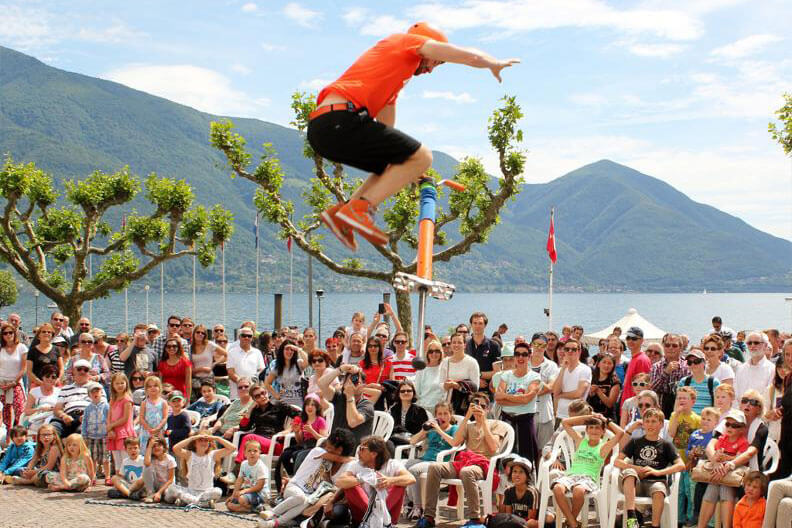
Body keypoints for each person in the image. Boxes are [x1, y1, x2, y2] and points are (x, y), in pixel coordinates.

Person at [309, 21, 517, 248]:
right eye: (434, 62)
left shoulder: (393, 81)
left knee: (392, 162)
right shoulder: (405, 42)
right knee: (425, 156)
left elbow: (387, 135)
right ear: (426, 46)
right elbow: (468, 57)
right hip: (337, 121)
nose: (430, 70)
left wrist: (408, 168)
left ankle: (343, 216)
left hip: (324, 129)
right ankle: (360, 210)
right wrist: (493, 63)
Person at [417, 392, 510, 527]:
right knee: (434, 467)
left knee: (467, 471)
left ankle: (475, 518)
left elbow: (493, 448)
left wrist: (483, 422)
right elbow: (455, 443)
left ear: (488, 408)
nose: (479, 408)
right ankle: (429, 517)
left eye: (482, 406)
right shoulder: (468, 425)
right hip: (465, 461)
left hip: (484, 464)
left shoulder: (496, 424)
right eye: (475, 405)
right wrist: (467, 417)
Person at [259, 428, 357, 527]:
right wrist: (352, 459)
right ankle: (272, 512)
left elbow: (328, 481)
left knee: (305, 501)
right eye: (327, 445)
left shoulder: (330, 464)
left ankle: (275, 523)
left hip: (308, 494)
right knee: (301, 498)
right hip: (295, 486)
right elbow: (338, 458)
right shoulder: (318, 451)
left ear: (339, 450)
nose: (327, 448)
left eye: (330, 447)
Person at [615, 408, 685, 528]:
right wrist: (635, 467)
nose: (650, 424)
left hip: (655, 482)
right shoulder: (635, 442)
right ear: (643, 424)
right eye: (647, 421)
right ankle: (632, 518)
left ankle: (655, 525)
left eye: (654, 421)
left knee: (659, 489)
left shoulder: (666, 445)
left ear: (661, 424)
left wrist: (658, 472)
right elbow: (617, 461)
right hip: (635, 483)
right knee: (630, 472)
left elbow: (681, 465)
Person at [551, 415, 624, 528]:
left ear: (603, 431)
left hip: (588, 478)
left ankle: (571, 522)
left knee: (578, 490)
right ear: (586, 430)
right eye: (591, 427)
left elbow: (620, 433)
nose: (594, 430)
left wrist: (605, 419)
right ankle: (573, 523)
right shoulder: (581, 441)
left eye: (597, 428)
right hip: (571, 475)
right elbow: (565, 422)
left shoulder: (603, 446)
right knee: (557, 488)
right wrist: (590, 416)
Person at [332, 436, 416, 528]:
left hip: (386, 513)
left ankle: (383, 522)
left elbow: (411, 478)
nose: (358, 452)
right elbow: (340, 482)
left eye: (362, 449)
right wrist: (361, 479)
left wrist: (390, 480)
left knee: (400, 484)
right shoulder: (356, 465)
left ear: (373, 454)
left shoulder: (392, 464)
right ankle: (373, 520)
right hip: (363, 515)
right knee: (350, 485)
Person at [403, 401, 458, 520]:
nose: (442, 417)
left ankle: (418, 506)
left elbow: (454, 442)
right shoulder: (431, 430)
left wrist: (439, 430)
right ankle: (407, 503)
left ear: (450, 415)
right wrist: (424, 430)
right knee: (398, 466)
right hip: (424, 459)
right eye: (439, 414)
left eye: (445, 413)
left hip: (439, 463)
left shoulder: (454, 428)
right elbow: (412, 441)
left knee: (413, 470)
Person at [697, 409, 751, 528]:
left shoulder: (743, 442)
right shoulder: (722, 438)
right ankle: (701, 526)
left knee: (724, 488)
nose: (730, 427)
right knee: (712, 487)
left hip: (734, 477)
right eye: (728, 424)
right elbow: (715, 453)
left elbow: (740, 459)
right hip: (720, 474)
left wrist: (725, 458)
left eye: (735, 425)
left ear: (742, 429)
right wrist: (717, 459)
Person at [495, 341, 541, 467]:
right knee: (505, 458)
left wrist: (506, 397)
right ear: (514, 356)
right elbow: (498, 398)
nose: (521, 357)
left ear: (529, 357)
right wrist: (518, 398)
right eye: (517, 354)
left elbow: (527, 399)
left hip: (525, 422)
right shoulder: (506, 375)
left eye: (524, 354)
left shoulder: (534, 377)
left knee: (526, 460)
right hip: (507, 420)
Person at [274, 393, 328, 493]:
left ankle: (296, 482)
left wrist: (312, 431)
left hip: (316, 445)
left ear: (317, 407)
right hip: (305, 445)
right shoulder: (304, 420)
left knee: (297, 455)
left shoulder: (320, 420)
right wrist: (296, 432)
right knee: (285, 455)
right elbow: (300, 441)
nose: (310, 407)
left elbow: (324, 439)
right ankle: (293, 476)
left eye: (313, 405)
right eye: (307, 405)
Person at [167, 433, 235, 507]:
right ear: (194, 443)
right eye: (200, 440)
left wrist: (216, 438)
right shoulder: (189, 454)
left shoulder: (213, 455)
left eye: (206, 441)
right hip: (191, 491)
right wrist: (193, 438)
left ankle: (187, 501)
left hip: (206, 492)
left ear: (209, 443)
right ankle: (202, 503)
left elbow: (232, 448)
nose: (203, 443)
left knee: (218, 491)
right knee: (172, 488)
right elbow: (175, 448)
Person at [319, 363, 376, 447]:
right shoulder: (339, 397)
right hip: (334, 447)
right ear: (344, 383)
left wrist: (350, 396)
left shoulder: (367, 405)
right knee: (302, 455)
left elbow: (352, 422)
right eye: (350, 381)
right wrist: (341, 369)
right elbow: (321, 384)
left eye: (356, 381)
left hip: (353, 452)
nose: (352, 385)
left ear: (363, 386)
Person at [668, 386, 701, 527]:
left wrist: (691, 461)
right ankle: (678, 517)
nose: (681, 400)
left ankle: (689, 517)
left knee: (688, 489)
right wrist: (676, 414)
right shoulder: (674, 415)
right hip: (676, 459)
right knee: (678, 490)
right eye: (679, 397)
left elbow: (698, 443)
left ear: (693, 401)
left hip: (689, 461)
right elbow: (671, 433)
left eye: (684, 398)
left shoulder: (697, 419)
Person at [234, 385, 292, 464]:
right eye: (257, 396)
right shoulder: (255, 410)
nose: (262, 396)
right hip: (258, 444)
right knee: (249, 442)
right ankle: (245, 472)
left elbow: (300, 416)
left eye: (263, 393)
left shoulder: (278, 405)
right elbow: (244, 428)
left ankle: (236, 469)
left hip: (274, 442)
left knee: (249, 438)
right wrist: (250, 409)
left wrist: (289, 429)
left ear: (267, 392)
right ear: (254, 399)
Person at [528, 333, 560, 452]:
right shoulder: (523, 362)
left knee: (545, 450)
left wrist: (530, 388)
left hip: (545, 414)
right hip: (526, 413)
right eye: (536, 344)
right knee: (528, 449)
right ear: (531, 344)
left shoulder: (551, 365)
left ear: (546, 346)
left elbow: (551, 387)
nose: (538, 347)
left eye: (542, 345)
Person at [686, 407, 720, 515]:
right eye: (703, 418)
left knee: (706, 494)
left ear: (716, 423)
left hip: (708, 471)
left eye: (709, 420)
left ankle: (708, 520)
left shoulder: (715, 436)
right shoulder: (695, 434)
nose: (705, 421)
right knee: (692, 493)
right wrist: (690, 453)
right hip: (694, 469)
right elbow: (688, 449)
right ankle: (693, 515)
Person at [50, 358, 97, 438]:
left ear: (89, 373)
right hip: (68, 417)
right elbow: (57, 409)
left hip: (87, 417)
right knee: (52, 429)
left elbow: (101, 407)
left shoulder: (96, 387)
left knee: (80, 431)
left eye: (85, 370)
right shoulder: (65, 388)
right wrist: (64, 416)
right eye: (79, 369)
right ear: (74, 372)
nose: (82, 372)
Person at [500, 456, 552, 527]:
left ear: (527, 476)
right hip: (516, 521)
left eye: (521, 472)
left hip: (531, 521)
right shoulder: (508, 491)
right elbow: (509, 515)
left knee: (534, 522)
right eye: (514, 471)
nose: (517, 475)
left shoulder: (532, 492)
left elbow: (531, 518)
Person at [439, 332, 480, 415]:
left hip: (465, 405)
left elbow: (476, 387)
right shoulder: (445, 362)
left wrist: (457, 386)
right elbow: (440, 383)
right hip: (448, 404)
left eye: (459, 342)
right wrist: (445, 385)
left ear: (464, 345)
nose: (456, 345)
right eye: (454, 342)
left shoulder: (472, 362)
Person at [650, 333, 689, 419]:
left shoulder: (687, 366)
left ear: (681, 348)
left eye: (674, 345)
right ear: (663, 347)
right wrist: (666, 372)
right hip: (660, 412)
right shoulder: (656, 366)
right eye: (667, 345)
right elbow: (652, 388)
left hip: (681, 411)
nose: (670, 348)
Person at [11, 423, 61, 487]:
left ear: (54, 436)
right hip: (40, 469)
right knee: (21, 469)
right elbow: (33, 460)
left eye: (48, 435)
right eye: (43, 435)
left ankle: (28, 481)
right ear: (39, 437)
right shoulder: (40, 447)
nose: (46, 437)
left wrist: (34, 472)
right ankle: (30, 478)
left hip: (51, 472)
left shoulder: (54, 448)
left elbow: (49, 467)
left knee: (43, 475)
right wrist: (28, 470)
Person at [553, 339, 592, 421]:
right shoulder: (560, 370)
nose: (570, 351)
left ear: (579, 351)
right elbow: (555, 392)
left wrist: (561, 395)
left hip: (577, 415)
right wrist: (563, 369)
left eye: (573, 349)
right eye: (567, 349)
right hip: (560, 414)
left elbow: (578, 393)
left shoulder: (585, 369)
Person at [81, 381, 111, 483]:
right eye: (92, 392)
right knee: (92, 458)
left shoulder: (106, 406)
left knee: (105, 458)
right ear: (89, 395)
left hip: (104, 435)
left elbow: (110, 419)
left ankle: (107, 477)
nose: (95, 394)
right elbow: (84, 421)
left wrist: (110, 431)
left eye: (97, 391)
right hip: (91, 436)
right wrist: (84, 434)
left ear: (101, 393)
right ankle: (93, 476)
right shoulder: (88, 408)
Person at [226, 440, 267, 513]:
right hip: (247, 492)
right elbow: (239, 480)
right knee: (229, 504)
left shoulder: (261, 467)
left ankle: (256, 506)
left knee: (241, 499)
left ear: (259, 452)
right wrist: (234, 494)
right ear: (244, 453)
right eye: (249, 451)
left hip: (260, 494)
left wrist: (244, 491)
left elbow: (259, 486)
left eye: (255, 451)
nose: (252, 453)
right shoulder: (244, 464)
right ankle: (252, 508)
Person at [106, 373, 135, 475]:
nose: (120, 385)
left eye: (122, 383)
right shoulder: (113, 400)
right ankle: (119, 480)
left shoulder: (127, 400)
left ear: (126, 384)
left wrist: (111, 426)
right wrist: (109, 429)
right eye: (117, 383)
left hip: (124, 433)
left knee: (125, 459)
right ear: (113, 385)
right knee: (117, 460)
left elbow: (125, 418)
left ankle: (127, 481)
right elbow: (109, 415)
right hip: (114, 433)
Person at [0, 322, 27, 431]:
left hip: (16, 382)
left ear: (14, 334)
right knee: (4, 411)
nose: (8, 335)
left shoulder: (22, 348)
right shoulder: (0, 348)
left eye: (10, 332)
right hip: (1, 383)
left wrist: (14, 382)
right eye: (5, 333)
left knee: (19, 409)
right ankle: (6, 434)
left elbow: (24, 368)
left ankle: (19, 432)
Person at [465, 312, 501, 393]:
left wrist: (479, 375)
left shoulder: (493, 345)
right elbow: (461, 370)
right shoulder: (464, 344)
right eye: (475, 323)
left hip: (487, 392)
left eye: (480, 323)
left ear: (485, 325)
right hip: (468, 392)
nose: (477, 326)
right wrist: (476, 381)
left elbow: (497, 372)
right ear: (471, 325)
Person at [263, 338, 305, 407]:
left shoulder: (299, 363)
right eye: (287, 349)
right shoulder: (277, 367)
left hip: (299, 404)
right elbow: (267, 383)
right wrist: (277, 396)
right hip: (285, 404)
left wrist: (298, 349)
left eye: (292, 350)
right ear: (282, 350)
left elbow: (308, 361)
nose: (289, 352)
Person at [734, 331, 774, 401]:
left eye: (756, 343)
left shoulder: (772, 369)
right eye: (749, 343)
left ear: (765, 345)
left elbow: (769, 398)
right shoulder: (740, 369)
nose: (752, 345)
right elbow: (736, 394)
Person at [679, 347, 720, 414]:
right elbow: (678, 404)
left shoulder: (714, 382)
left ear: (704, 362)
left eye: (696, 361)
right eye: (689, 362)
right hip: (687, 422)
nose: (693, 364)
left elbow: (717, 406)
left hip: (706, 422)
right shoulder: (683, 382)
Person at [21, 364, 60, 434]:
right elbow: (27, 411)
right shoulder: (34, 391)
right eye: (47, 376)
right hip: (37, 418)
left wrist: (52, 409)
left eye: (53, 377)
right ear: (42, 377)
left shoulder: (59, 392)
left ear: (56, 379)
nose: (50, 379)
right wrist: (40, 409)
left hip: (53, 417)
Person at [227, 327, 264, 399]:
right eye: (244, 335)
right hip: (236, 393)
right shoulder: (232, 352)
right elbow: (231, 373)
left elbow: (261, 370)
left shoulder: (257, 352)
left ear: (252, 338)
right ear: (239, 337)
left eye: (249, 336)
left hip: (253, 392)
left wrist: (252, 382)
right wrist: (243, 384)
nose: (246, 338)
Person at [620, 326, 651, 406]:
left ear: (642, 341)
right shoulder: (634, 358)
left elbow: (643, 389)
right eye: (628, 338)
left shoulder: (642, 360)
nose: (630, 341)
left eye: (634, 338)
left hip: (634, 409)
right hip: (627, 407)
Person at [26, 323, 63, 387]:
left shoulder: (56, 349)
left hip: (54, 384)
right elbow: (29, 371)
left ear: (52, 335)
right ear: (38, 335)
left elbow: (61, 368)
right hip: (38, 384)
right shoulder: (32, 351)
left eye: (49, 332)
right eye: (44, 332)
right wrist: (41, 383)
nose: (46, 333)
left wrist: (57, 380)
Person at [141, 436, 175, 503]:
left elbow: (170, 480)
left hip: (167, 485)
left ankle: (159, 495)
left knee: (168, 498)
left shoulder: (170, 459)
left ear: (164, 447)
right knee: (147, 467)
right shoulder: (152, 458)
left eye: (159, 445)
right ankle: (150, 493)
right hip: (156, 484)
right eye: (154, 446)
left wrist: (159, 492)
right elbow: (146, 463)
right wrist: (150, 446)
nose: (156, 448)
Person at [414, 340, 445, 412]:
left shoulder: (445, 369)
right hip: (424, 408)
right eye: (431, 351)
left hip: (440, 410)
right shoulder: (421, 370)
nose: (434, 353)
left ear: (441, 353)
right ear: (427, 353)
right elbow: (417, 392)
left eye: (437, 351)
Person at [587, 352, 621, 419]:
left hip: (607, 418)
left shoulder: (615, 382)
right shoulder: (590, 377)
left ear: (613, 366)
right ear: (598, 364)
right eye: (604, 362)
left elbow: (610, 404)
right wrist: (590, 393)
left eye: (609, 363)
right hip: (590, 416)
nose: (606, 365)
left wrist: (598, 391)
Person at [158, 337, 192, 402]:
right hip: (166, 396)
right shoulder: (162, 364)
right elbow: (160, 382)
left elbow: (188, 383)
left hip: (181, 395)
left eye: (174, 346)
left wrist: (188, 399)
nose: (171, 348)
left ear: (178, 347)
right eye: (168, 346)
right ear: (165, 348)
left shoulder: (185, 363)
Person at [138, 375, 168, 450]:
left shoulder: (163, 402)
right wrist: (149, 429)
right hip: (146, 431)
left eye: (155, 385)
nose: (152, 388)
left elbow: (165, 417)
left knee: (158, 449)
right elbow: (141, 418)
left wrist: (158, 428)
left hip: (159, 431)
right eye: (149, 386)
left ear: (160, 388)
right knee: (146, 450)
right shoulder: (144, 403)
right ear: (146, 389)